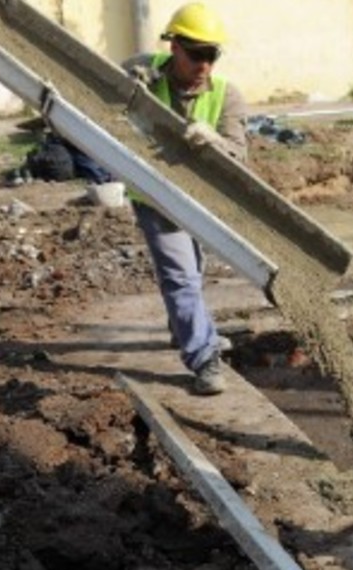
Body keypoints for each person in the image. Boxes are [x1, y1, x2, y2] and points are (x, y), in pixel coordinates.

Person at [122, 2, 246, 395]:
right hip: (155, 194)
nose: (205, 66)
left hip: (199, 199)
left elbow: (239, 154)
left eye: (212, 56)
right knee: (181, 277)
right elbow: (96, 85)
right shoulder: (146, 71)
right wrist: (126, 83)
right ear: (174, 46)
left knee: (191, 268)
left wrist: (215, 141)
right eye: (196, 55)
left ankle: (186, 329)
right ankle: (204, 357)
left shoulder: (226, 95)